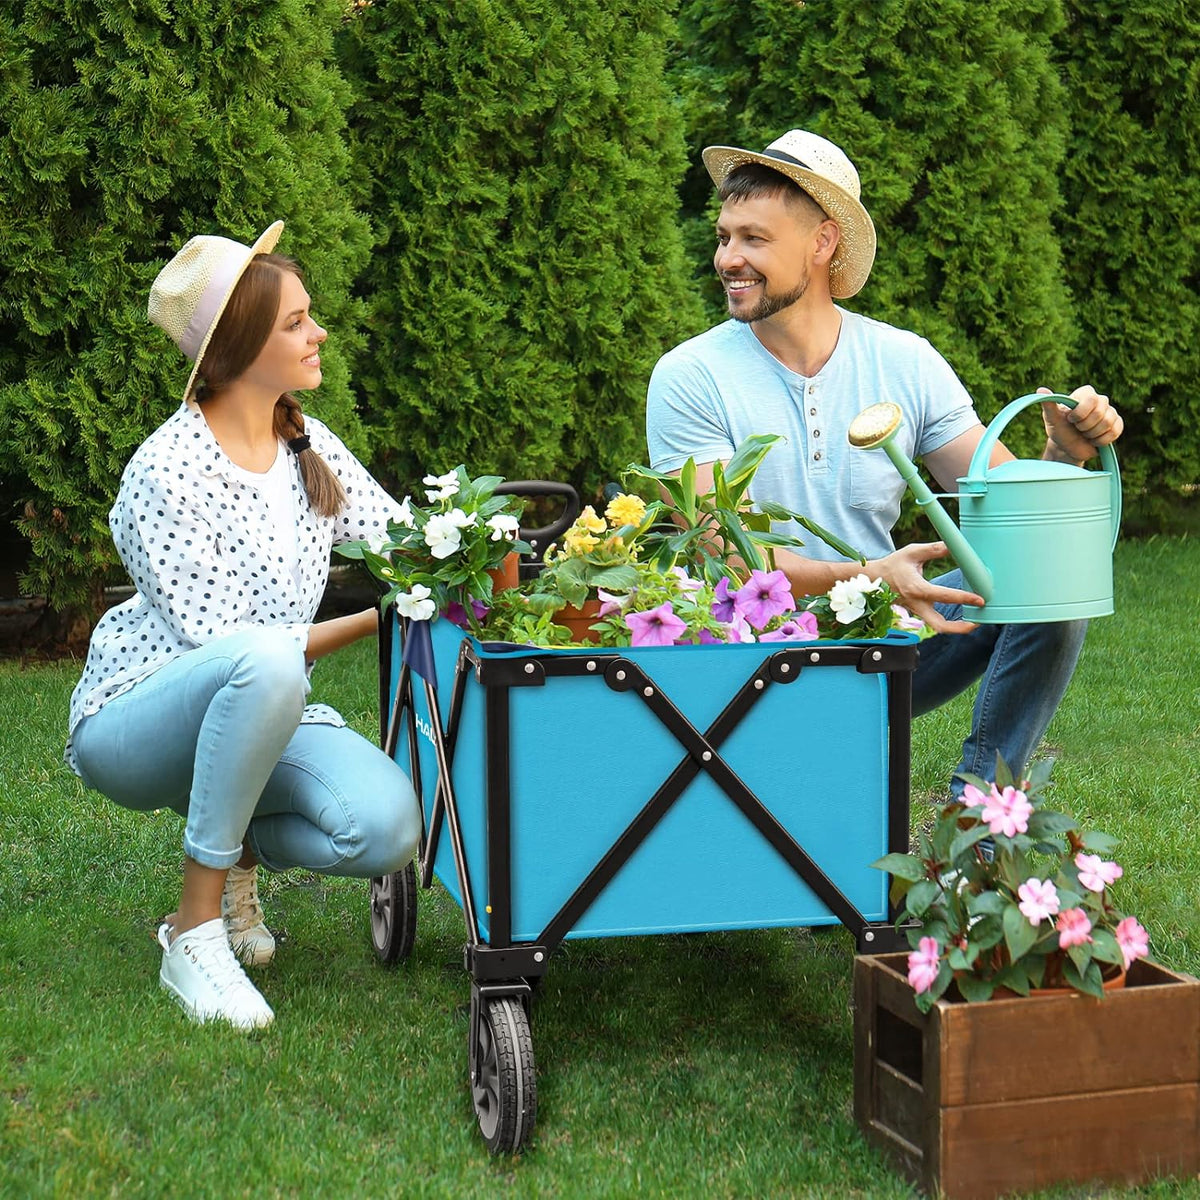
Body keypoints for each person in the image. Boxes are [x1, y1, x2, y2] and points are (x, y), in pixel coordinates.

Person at [647, 129, 1123, 798]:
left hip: (881, 648)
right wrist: (873, 577)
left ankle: (981, 816)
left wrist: (1062, 457)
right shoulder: (690, 377)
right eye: (725, 237)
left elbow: (1011, 523)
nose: (729, 258)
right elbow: (731, 561)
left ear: (822, 242)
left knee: (1049, 580)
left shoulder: (904, 361)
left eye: (754, 239)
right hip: (747, 666)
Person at [66, 221, 422, 1030]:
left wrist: (479, 549)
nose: (318, 332)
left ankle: (235, 860)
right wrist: (376, 620)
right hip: (136, 721)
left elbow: (404, 542)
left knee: (385, 827)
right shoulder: (166, 471)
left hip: (265, 703)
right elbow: (230, 647)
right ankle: (194, 932)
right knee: (265, 662)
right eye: (296, 322)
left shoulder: (307, 443)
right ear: (238, 346)